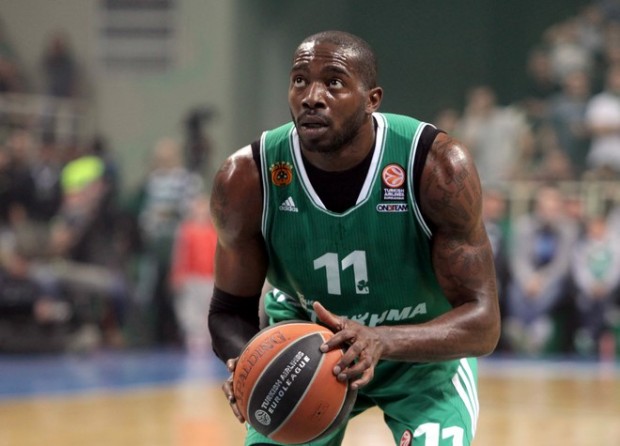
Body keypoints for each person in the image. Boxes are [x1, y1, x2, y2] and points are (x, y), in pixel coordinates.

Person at [207, 31, 500, 446]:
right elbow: (228, 310)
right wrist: (247, 363)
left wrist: (380, 340)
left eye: (333, 82)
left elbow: (483, 324)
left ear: (371, 99)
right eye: (299, 80)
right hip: (307, 356)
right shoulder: (246, 178)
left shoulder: (437, 167)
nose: (312, 97)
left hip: (421, 355)